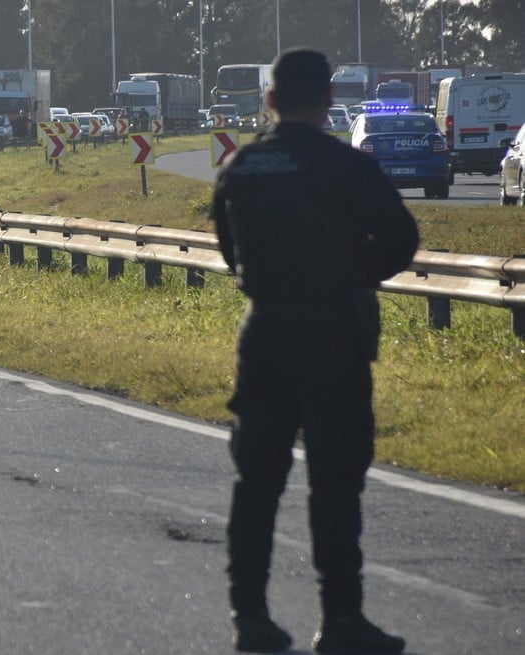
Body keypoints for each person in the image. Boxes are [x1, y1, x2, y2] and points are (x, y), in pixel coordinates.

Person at [210, 48, 417, 654]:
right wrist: (356, 274)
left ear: (270, 100)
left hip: (266, 331)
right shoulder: (346, 166)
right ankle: (342, 620)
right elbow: (403, 239)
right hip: (333, 333)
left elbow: (228, 250)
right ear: (328, 100)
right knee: (335, 482)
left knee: (256, 484)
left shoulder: (243, 167)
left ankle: (249, 617)